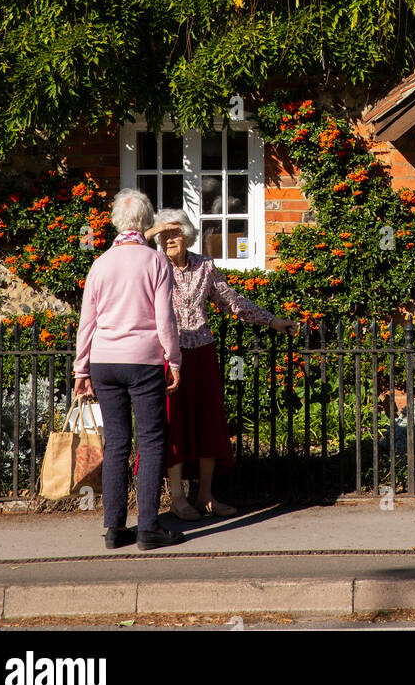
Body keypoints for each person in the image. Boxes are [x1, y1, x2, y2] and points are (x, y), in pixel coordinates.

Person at [145, 208, 298, 519]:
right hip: (167, 355)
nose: (170, 239)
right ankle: (176, 497)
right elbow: (128, 251)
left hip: (202, 352)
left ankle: (205, 496)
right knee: (174, 424)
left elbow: (232, 301)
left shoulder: (205, 266)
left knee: (208, 423)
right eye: (164, 234)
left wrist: (272, 321)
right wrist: (153, 231)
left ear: (187, 235)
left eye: (175, 233)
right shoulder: (153, 264)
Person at [73, 188, 184, 551]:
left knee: (117, 442)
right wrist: (174, 358)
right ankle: (148, 527)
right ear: (147, 221)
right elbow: (164, 317)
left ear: (117, 223)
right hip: (143, 359)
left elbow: (86, 321)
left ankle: (113, 528)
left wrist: (81, 370)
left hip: (104, 362)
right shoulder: (154, 262)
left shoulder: (100, 263)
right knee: (150, 442)